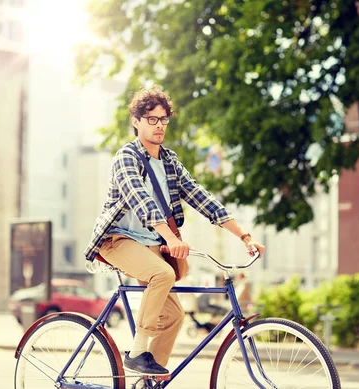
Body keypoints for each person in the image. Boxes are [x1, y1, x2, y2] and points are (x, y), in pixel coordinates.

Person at [83, 85, 266, 376]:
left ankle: (147, 381)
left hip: (150, 244)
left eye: (163, 119)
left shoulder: (169, 162)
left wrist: (244, 236)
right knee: (163, 274)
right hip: (117, 239)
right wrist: (169, 237)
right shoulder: (126, 157)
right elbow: (140, 200)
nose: (159, 126)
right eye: (151, 119)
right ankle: (136, 352)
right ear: (136, 121)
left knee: (174, 316)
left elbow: (201, 198)